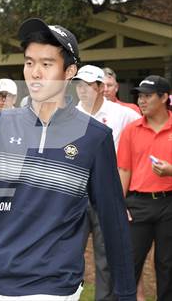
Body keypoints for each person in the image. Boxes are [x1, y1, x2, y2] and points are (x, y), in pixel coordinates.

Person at [0, 18, 136, 301]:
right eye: (29, 62)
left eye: (46, 64)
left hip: (56, 285)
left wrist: (126, 292)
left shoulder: (95, 136)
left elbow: (113, 219)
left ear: (69, 71)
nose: (35, 73)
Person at [74, 65, 140, 301]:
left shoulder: (124, 114)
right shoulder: (69, 115)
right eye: (78, 85)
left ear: (102, 88)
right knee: (70, 252)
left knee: (106, 256)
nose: (82, 91)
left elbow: (142, 138)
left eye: (88, 86)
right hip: (77, 195)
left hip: (108, 194)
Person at [117, 75, 172, 301]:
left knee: (167, 265)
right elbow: (124, 171)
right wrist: (120, 205)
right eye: (140, 96)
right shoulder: (131, 130)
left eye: (148, 96)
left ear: (164, 97)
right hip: (137, 204)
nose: (141, 101)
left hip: (170, 204)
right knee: (130, 262)